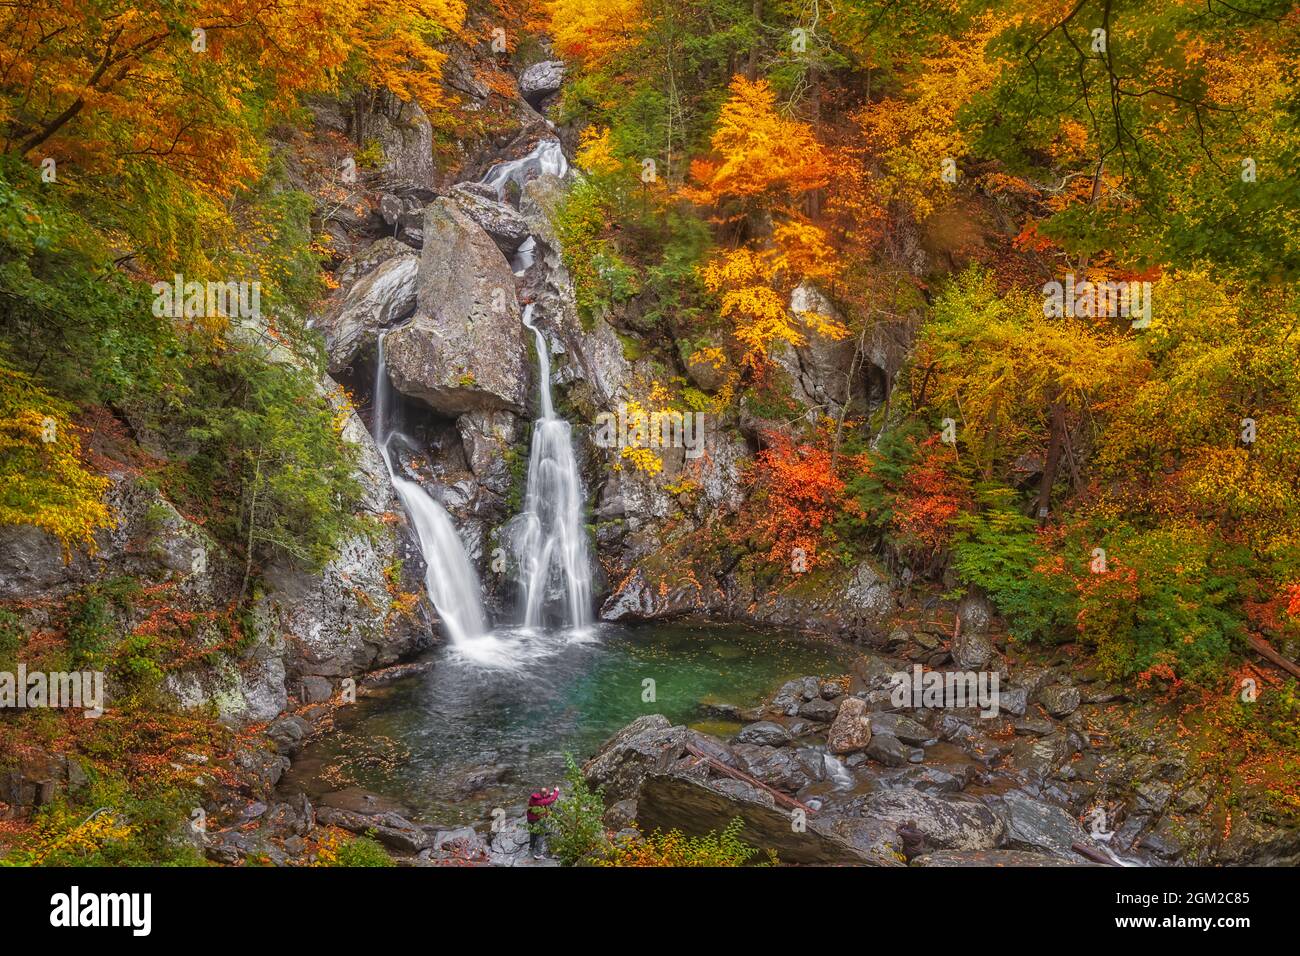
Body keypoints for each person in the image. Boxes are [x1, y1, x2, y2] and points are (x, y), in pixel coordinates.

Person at [526, 786, 559, 858]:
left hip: (530, 819)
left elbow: (545, 797)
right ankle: (538, 854)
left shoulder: (534, 797)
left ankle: (531, 847)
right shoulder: (540, 802)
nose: (547, 794)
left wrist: (550, 794)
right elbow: (551, 800)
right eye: (546, 793)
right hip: (537, 820)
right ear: (543, 794)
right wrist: (556, 792)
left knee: (533, 832)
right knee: (541, 835)